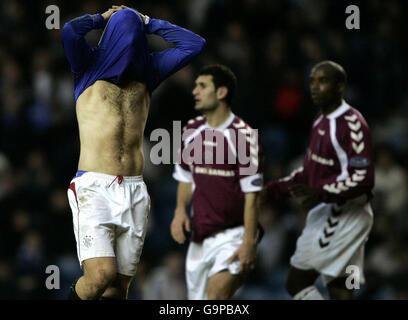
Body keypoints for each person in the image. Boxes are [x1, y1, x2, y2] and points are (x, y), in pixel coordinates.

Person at [62, 5, 205, 300]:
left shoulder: (149, 70)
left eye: (134, 34)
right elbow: (69, 31)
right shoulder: (88, 66)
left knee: (118, 289)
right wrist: (100, 19)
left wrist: (149, 22)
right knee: (100, 276)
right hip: (94, 187)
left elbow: (195, 44)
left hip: (134, 188)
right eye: (123, 32)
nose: (130, 40)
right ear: (111, 36)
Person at [264, 61, 374, 300]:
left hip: (344, 213)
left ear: (339, 86)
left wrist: (319, 193)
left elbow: (363, 178)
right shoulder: (319, 121)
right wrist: (272, 190)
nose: (315, 87)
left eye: (322, 81)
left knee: (297, 282)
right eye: (312, 81)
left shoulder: (352, 123)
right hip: (333, 211)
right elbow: (308, 173)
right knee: (341, 289)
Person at [171, 64, 264, 300]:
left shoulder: (243, 136)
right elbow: (185, 178)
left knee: (216, 298)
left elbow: (253, 197)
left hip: (233, 235)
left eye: (202, 86)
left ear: (221, 92)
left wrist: (248, 242)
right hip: (199, 239)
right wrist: (180, 211)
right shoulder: (191, 130)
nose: (195, 91)